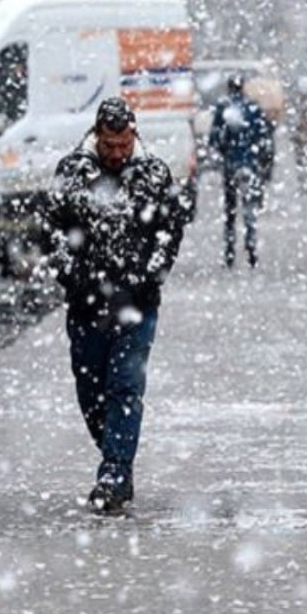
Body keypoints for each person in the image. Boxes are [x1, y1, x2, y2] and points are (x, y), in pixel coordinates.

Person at [46, 97, 190, 513]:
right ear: (97, 136)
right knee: (91, 391)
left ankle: (114, 473)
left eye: (123, 144)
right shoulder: (72, 173)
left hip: (136, 304)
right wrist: (71, 277)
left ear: (134, 135)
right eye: (109, 145)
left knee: (125, 387)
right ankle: (115, 454)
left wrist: (147, 280)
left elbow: (169, 233)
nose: (116, 153)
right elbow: (53, 230)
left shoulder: (155, 174)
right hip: (87, 303)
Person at [208, 75, 275, 268]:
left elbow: (215, 138)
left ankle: (230, 249)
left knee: (230, 210)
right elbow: (264, 136)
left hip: (231, 164)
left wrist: (224, 150)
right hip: (251, 164)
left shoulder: (224, 108)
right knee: (249, 207)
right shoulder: (253, 108)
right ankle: (251, 246)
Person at [289, 90, 307, 196]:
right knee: (302, 162)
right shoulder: (299, 113)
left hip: (305, 141)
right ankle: (303, 182)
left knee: (304, 162)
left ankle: (305, 182)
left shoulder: (306, 113)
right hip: (301, 141)